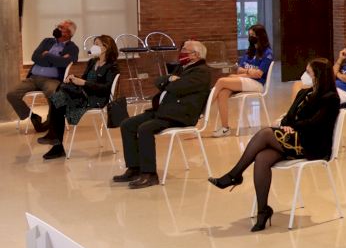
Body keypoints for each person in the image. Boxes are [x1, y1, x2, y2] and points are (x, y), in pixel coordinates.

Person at [207, 58, 340, 231]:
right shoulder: (304, 93)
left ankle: (234, 175)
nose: (304, 75)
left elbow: (315, 124)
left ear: (319, 76)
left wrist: (293, 126)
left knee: (266, 133)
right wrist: (288, 125)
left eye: (309, 72)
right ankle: (263, 211)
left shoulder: (330, 98)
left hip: (312, 144)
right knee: (262, 158)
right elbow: (288, 117)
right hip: (294, 138)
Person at [113, 40, 214, 189]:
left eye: (185, 50)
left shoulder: (202, 72)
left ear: (195, 55)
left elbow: (177, 88)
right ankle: (134, 168)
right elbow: (158, 81)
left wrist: (169, 81)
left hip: (180, 115)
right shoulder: (182, 67)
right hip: (164, 111)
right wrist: (169, 79)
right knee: (127, 125)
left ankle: (149, 174)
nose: (181, 52)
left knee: (145, 128)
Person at [40, 35, 120, 160]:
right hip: (84, 94)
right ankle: (56, 144)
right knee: (57, 99)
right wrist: (73, 78)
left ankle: (56, 143)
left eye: (97, 44)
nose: (94, 47)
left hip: (96, 99)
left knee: (57, 100)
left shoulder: (112, 66)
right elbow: (84, 79)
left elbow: (105, 89)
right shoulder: (92, 62)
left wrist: (84, 83)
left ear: (106, 47)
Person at [8, 19, 79, 129]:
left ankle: (50, 122)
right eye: (58, 26)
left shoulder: (72, 48)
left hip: (52, 80)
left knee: (53, 94)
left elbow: (65, 63)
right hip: (33, 78)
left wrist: (47, 55)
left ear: (69, 33)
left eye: (61, 28)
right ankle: (33, 117)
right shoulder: (47, 41)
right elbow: (35, 57)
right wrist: (54, 60)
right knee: (11, 94)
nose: (57, 29)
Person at [210, 23, 273, 137]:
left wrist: (243, 74)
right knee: (223, 93)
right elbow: (239, 69)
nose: (250, 38)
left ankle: (205, 107)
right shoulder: (249, 51)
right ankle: (225, 128)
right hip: (247, 80)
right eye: (249, 35)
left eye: (253, 35)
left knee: (221, 81)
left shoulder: (267, 53)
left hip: (257, 84)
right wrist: (248, 72)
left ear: (260, 36)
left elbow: (258, 75)